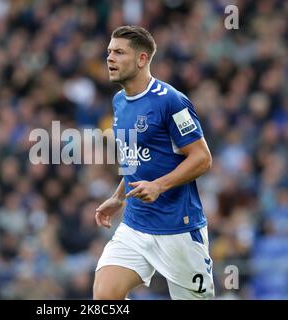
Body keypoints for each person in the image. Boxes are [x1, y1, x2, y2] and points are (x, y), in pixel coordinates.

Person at [93, 26, 215, 300]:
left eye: (119, 52)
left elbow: (202, 158)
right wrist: (118, 197)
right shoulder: (119, 101)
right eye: (109, 52)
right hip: (135, 225)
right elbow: (135, 158)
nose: (110, 58)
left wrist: (159, 186)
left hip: (178, 230)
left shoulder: (170, 101)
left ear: (142, 59)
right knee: (104, 296)